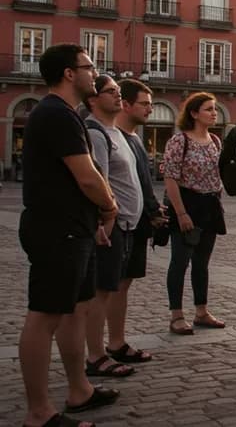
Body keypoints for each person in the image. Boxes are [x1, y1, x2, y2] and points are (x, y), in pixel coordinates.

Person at [20, 44, 121, 427]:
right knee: (45, 315)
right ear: (68, 73)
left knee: (76, 310)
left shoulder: (66, 113)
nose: (95, 72)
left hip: (74, 226)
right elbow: (86, 175)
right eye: (89, 66)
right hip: (55, 228)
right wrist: (109, 207)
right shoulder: (55, 114)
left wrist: (93, 219)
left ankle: (80, 390)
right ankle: (38, 412)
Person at [82, 75, 147, 379]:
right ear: (93, 99)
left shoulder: (117, 132)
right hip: (113, 224)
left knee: (119, 285)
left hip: (128, 223)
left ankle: (116, 343)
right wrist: (105, 221)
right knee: (101, 290)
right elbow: (99, 181)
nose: (118, 97)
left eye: (119, 92)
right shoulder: (95, 132)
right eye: (111, 92)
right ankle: (95, 355)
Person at [163, 93, 227, 338]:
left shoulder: (214, 140)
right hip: (187, 201)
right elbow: (170, 177)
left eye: (215, 109)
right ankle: (176, 315)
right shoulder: (180, 141)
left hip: (210, 204)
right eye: (208, 109)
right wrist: (180, 212)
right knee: (180, 261)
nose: (214, 113)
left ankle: (201, 311)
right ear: (193, 113)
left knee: (202, 262)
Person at [113, 79, 167, 363]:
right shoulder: (114, 137)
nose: (149, 108)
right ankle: (112, 343)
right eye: (144, 104)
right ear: (126, 104)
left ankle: (117, 340)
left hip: (138, 222)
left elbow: (141, 183)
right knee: (115, 286)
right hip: (121, 225)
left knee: (125, 283)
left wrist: (153, 209)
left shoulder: (134, 138)